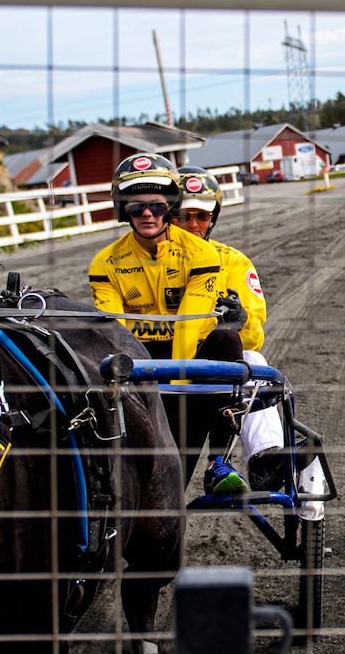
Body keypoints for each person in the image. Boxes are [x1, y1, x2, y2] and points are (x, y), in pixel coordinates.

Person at [88, 153, 249, 492]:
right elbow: (115, 331)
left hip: (184, 361)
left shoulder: (202, 255)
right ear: (123, 210)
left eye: (157, 207)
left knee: (225, 341)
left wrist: (171, 391)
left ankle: (218, 462)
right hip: (139, 360)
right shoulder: (105, 263)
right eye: (136, 207)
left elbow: (190, 327)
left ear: (170, 207)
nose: (147, 214)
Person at [173, 165, 289, 492]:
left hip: (215, 366)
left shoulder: (234, 262)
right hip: (166, 365)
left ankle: (265, 457)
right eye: (185, 215)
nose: (194, 225)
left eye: (202, 216)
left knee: (254, 360)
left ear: (214, 218)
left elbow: (255, 334)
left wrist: (240, 319)